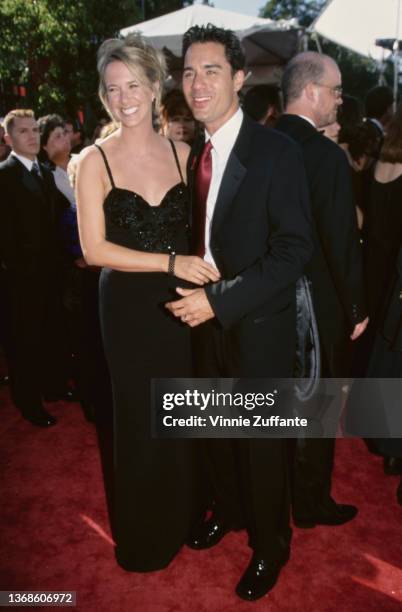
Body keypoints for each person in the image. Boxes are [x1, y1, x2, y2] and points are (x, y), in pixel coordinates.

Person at [167, 25, 313, 601]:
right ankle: (228, 509)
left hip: (256, 325)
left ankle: (272, 544)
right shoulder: (193, 152)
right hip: (206, 323)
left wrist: (219, 301)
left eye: (211, 71)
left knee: (259, 443)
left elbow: (294, 249)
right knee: (216, 431)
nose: (197, 84)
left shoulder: (276, 150)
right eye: (188, 72)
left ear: (240, 78)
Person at [75, 33, 220, 572]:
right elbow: (94, 250)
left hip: (184, 304)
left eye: (134, 84)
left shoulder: (186, 154)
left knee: (183, 412)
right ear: (103, 95)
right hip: (130, 310)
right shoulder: (96, 160)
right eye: (112, 88)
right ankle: (145, 535)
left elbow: (204, 235)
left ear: (157, 86)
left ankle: (185, 514)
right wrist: (169, 263)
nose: (123, 96)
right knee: (139, 419)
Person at [276, 52, 368, 529]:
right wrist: (356, 306)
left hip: (262, 302)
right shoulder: (326, 157)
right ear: (310, 91)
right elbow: (340, 243)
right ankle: (310, 504)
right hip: (315, 307)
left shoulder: (259, 144)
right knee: (315, 406)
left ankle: (278, 495)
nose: (338, 100)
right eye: (334, 90)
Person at [0, 109, 71, 427]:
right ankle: (28, 402)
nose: (32, 136)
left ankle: (54, 387)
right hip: (20, 279)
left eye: (34, 130)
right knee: (25, 341)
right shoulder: (4, 174)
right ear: (8, 138)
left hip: (53, 273)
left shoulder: (45, 170)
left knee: (52, 333)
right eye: (23, 131)